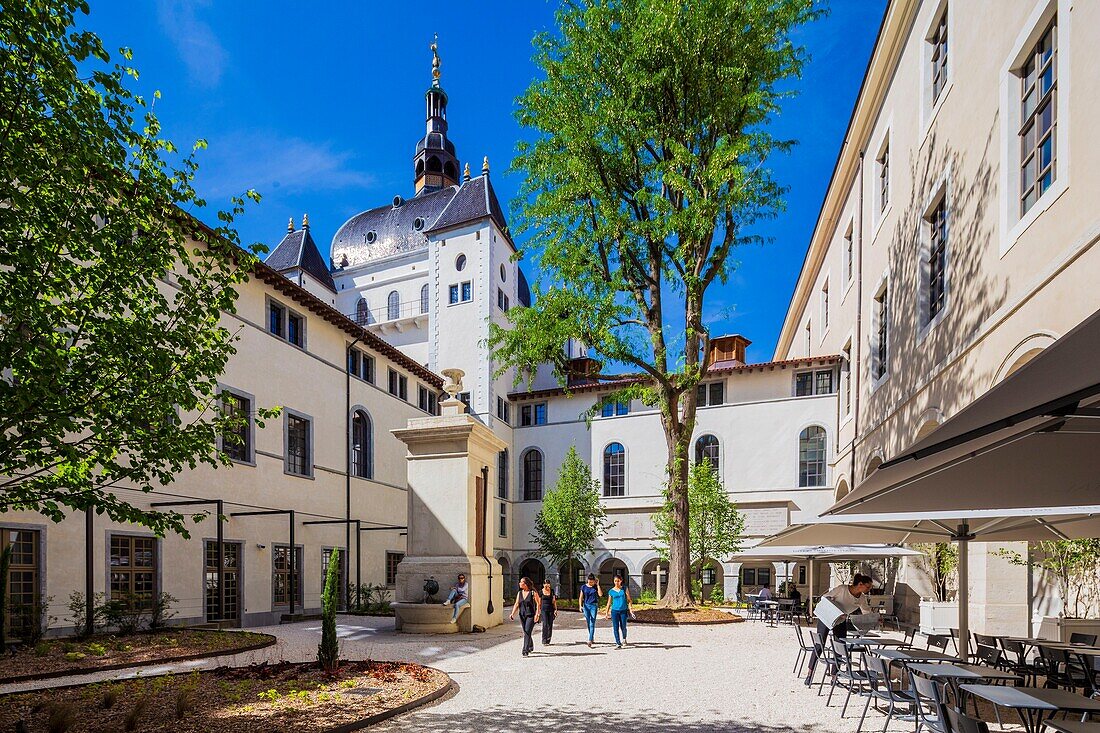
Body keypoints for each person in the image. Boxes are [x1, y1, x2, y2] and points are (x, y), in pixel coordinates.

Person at [804, 573, 873, 685]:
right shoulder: (842, 589)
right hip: (827, 616)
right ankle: (809, 674)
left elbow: (866, 612)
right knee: (819, 645)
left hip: (840, 621)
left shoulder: (862, 598)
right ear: (860, 584)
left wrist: (876, 618)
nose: (869, 589)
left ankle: (834, 677)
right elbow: (825, 597)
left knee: (840, 647)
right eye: (868, 586)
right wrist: (835, 609)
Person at [509, 576, 541, 657]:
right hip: (522, 615)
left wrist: (537, 614)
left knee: (527, 631)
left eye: (521, 582)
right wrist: (512, 613)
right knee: (526, 631)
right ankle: (530, 646)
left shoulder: (533, 593)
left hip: (531, 615)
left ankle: (525, 650)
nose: (519, 583)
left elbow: (538, 604)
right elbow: (516, 604)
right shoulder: (519, 593)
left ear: (525, 584)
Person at [603, 574, 634, 649]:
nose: (616, 582)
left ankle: (624, 638)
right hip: (614, 611)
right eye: (615, 581)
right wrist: (606, 613)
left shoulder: (624, 589)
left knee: (623, 626)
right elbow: (609, 603)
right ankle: (618, 643)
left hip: (623, 611)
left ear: (621, 581)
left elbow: (629, 600)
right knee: (615, 627)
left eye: (618, 581)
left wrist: (631, 609)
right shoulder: (611, 591)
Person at [579, 573, 602, 647]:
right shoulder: (583, 587)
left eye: (592, 582)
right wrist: (580, 606)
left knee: (592, 622)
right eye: (589, 581)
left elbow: (600, 595)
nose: (591, 583)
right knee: (588, 622)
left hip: (593, 606)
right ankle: (591, 637)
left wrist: (598, 585)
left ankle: (589, 640)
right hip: (586, 606)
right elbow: (581, 597)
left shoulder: (595, 587)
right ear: (587, 580)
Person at [539, 580, 557, 646]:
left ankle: (548, 640)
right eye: (545, 584)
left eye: (548, 584)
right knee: (545, 624)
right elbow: (539, 602)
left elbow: (554, 601)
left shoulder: (552, 591)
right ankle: (544, 640)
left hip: (551, 609)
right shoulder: (541, 592)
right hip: (543, 610)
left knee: (550, 625)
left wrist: (555, 609)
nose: (547, 585)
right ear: (543, 585)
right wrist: (538, 611)